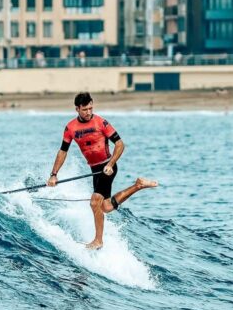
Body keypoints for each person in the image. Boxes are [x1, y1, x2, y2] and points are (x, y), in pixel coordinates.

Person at [47, 92, 158, 250]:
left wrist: (110, 164)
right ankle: (138, 185)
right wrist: (53, 175)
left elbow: (120, 144)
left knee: (94, 202)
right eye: (85, 109)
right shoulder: (70, 127)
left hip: (107, 167)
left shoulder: (101, 122)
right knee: (105, 207)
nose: (89, 112)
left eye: (91, 108)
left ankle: (98, 241)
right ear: (77, 109)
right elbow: (63, 151)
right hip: (94, 170)